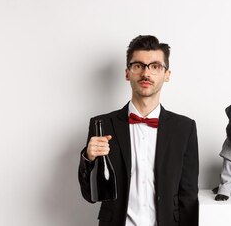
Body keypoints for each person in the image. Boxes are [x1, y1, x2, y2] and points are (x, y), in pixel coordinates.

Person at [78, 35, 199, 226]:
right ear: (127, 73)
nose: (146, 73)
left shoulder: (185, 128)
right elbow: (91, 196)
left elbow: (189, 196)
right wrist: (88, 158)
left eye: (155, 66)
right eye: (138, 66)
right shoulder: (102, 125)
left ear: (166, 75)